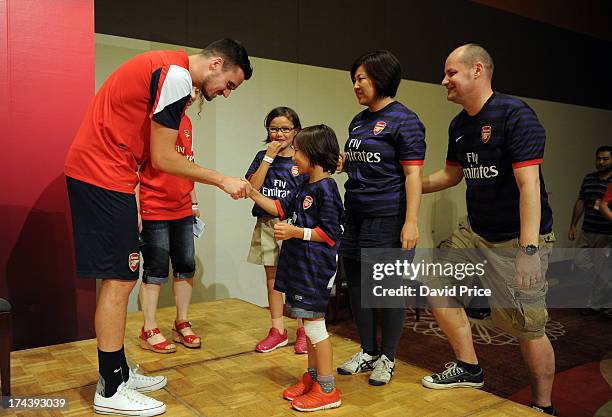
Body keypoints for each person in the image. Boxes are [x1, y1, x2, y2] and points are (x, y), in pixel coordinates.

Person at [64, 39, 252, 416]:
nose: (226, 94)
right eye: (229, 85)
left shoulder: (166, 68)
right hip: (102, 176)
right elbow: (165, 157)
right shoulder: (177, 75)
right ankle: (111, 389)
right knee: (119, 280)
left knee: (121, 278)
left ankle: (115, 371)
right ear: (215, 64)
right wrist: (221, 179)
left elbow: (143, 145)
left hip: (108, 176)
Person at [420, 44, 557, 416]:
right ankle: (468, 367)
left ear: (477, 71)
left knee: (527, 328)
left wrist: (528, 254)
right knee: (432, 278)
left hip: (519, 237)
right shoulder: (460, 124)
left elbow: (529, 186)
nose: (443, 80)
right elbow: (451, 175)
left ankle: (542, 406)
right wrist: (406, 182)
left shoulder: (515, 115)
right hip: (476, 231)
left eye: (451, 73)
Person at [335, 50, 426, 386]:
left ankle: (388, 357)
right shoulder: (358, 121)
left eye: (362, 78)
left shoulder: (406, 120)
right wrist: (349, 163)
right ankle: (368, 351)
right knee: (358, 287)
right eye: (354, 79)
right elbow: (367, 160)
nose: (357, 85)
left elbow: (412, 176)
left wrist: (411, 222)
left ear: (382, 77)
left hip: (387, 217)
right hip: (354, 215)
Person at [248, 125, 344, 412]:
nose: (294, 157)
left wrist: (295, 233)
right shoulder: (304, 185)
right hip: (299, 268)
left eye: (299, 151)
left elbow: (330, 234)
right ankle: (313, 378)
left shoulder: (327, 189)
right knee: (310, 325)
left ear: (314, 156)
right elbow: (279, 207)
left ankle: (327, 388)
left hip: (315, 270)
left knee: (315, 329)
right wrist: (251, 192)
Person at [137, 87, 202, 354]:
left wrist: (194, 201)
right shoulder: (152, 120)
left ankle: (181, 322)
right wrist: (137, 210)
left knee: (186, 266)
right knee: (155, 268)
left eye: (197, 90)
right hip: (154, 207)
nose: (193, 94)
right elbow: (136, 166)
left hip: (183, 208)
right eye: (190, 88)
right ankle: (149, 327)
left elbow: (188, 164)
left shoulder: (186, 122)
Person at [245, 107, 309, 354]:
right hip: (267, 223)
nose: (279, 134)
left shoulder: (302, 158)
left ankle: (302, 330)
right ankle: (278, 330)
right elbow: (251, 188)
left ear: (296, 131)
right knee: (272, 279)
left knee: (298, 280)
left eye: (285, 129)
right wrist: (268, 158)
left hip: (295, 225)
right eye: (274, 129)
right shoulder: (262, 156)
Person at [568, 145, 612, 315]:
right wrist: (573, 224)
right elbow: (581, 201)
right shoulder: (589, 178)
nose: (601, 162)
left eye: (605, 158)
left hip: (605, 233)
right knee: (581, 263)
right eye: (599, 158)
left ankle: (595, 305)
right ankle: (605, 292)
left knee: (602, 270)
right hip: (587, 230)